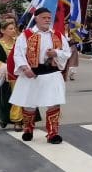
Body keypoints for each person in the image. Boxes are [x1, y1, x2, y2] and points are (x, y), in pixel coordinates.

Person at [10, 7, 71, 144]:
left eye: (49, 18)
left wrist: (56, 53)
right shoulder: (25, 35)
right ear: (36, 18)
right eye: (44, 17)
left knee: (54, 103)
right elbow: (18, 54)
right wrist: (25, 68)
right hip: (32, 74)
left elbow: (67, 53)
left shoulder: (57, 35)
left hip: (52, 73)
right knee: (29, 105)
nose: (47, 20)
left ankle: (53, 133)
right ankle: (28, 129)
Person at [0, 20, 26, 130]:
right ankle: (5, 118)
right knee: (6, 98)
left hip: (21, 74)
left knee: (22, 97)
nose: (13, 30)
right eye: (10, 29)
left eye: (14, 28)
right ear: (2, 30)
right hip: (5, 76)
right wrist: (4, 66)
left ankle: (20, 120)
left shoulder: (19, 42)